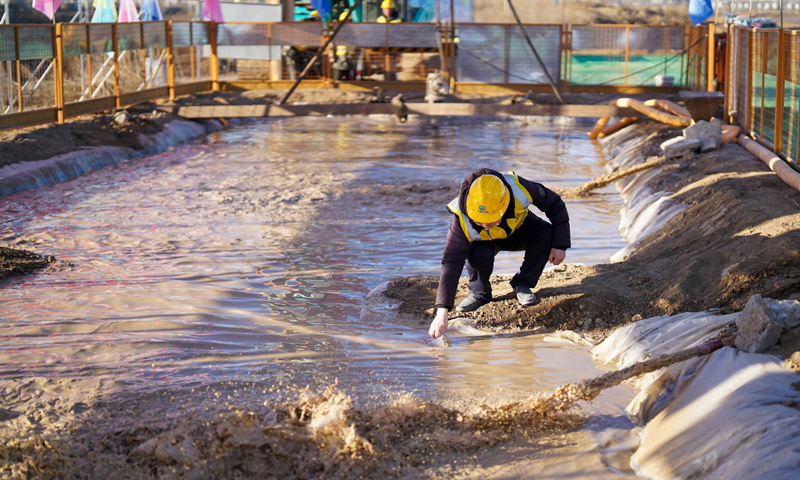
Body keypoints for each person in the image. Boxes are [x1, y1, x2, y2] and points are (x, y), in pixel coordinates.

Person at [428, 168, 571, 339]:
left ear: (504, 206)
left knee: (547, 234)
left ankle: (522, 284)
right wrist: (442, 312)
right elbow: (451, 262)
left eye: (492, 221)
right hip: (485, 242)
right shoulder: (460, 216)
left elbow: (555, 204)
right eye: (480, 222)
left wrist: (560, 245)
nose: (486, 226)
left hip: (518, 229)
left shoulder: (521, 188)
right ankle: (480, 293)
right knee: (475, 255)